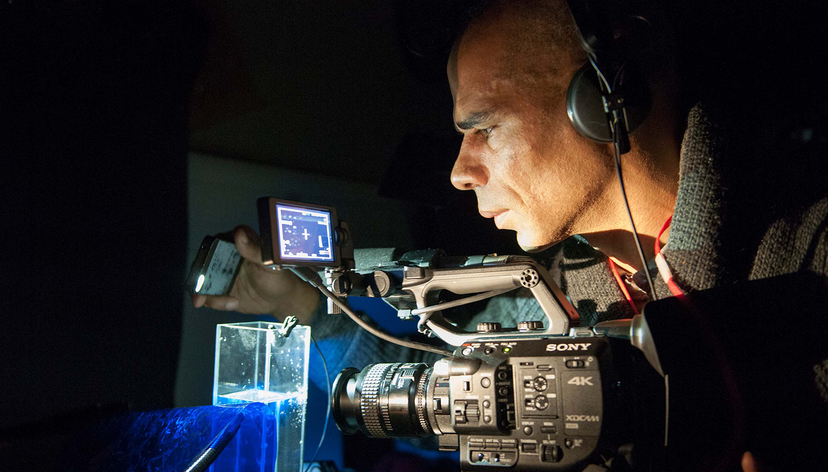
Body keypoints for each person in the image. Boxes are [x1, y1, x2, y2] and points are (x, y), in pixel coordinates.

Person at [194, 1, 828, 470]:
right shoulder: (564, 287)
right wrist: (306, 306)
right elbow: (449, 386)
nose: (459, 172)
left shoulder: (812, 252)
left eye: (485, 127)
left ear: (605, 98)